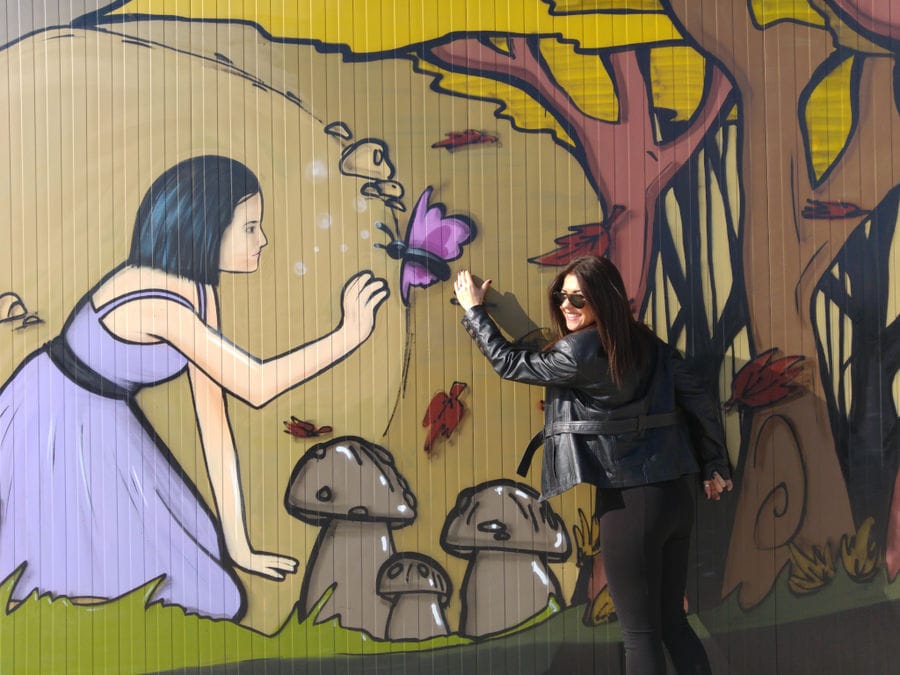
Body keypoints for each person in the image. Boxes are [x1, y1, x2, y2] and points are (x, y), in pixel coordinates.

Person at [0, 155, 389, 620]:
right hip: (55, 419)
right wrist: (348, 336)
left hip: (105, 417)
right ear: (205, 227)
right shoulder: (160, 304)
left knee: (201, 571)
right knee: (87, 575)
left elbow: (215, 421)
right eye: (249, 228)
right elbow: (256, 385)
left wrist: (238, 544)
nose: (262, 240)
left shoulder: (200, 293)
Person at [454, 255, 732, 675]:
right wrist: (714, 463)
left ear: (603, 300)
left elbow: (511, 363)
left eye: (578, 298)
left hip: (630, 504)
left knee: (640, 634)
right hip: (676, 496)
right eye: (561, 296)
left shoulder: (580, 349)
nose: (567, 305)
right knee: (672, 621)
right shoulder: (648, 343)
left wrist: (475, 312)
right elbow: (698, 398)